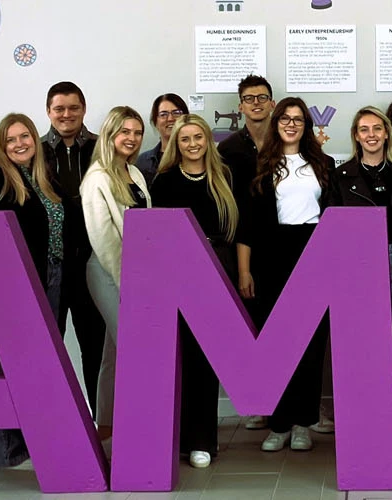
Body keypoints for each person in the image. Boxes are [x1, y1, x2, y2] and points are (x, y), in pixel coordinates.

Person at [236, 97, 339, 452]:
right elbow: (247, 225)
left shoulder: (323, 164)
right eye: (286, 118)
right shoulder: (262, 165)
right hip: (272, 256)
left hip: (314, 250)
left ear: (306, 126)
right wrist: (245, 270)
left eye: (298, 119)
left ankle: (303, 423)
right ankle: (278, 424)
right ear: (276, 123)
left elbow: (335, 217)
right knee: (275, 340)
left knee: (310, 341)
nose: (291, 124)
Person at [0, 113, 73, 468]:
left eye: (25, 137)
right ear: (2, 146)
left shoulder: (48, 178)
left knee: (43, 361)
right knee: (7, 361)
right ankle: (8, 450)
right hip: (14, 282)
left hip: (53, 276)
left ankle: (38, 439)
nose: (20, 144)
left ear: (35, 138)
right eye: (11, 139)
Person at [151, 114, 241, 468]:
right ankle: (179, 438)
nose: (192, 144)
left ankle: (204, 440)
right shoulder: (164, 182)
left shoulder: (225, 177)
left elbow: (237, 230)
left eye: (198, 137)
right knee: (180, 357)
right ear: (176, 143)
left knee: (208, 358)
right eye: (185, 138)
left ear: (207, 140)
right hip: (178, 275)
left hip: (219, 270)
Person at [327, 106, 392, 438]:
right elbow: (333, 226)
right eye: (364, 129)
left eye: (377, 128)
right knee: (361, 344)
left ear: (386, 133)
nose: (371, 135)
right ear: (356, 135)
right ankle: (363, 420)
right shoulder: (341, 176)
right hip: (358, 265)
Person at [80, 106, 149, 448]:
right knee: (136, 349)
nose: (132, 138)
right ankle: (139, 427)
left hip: (136, 275)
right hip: (109, 272)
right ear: (110, 134)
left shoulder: (134, 173)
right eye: (125, 131)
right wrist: (128, 285)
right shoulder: (97, 177)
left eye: (137, 132)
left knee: (114, 353)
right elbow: (104, 240)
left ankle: (105, 424)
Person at [39, 82, 109, 421]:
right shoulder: (34, 151)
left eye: (73, 108)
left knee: (95, 346)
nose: (66, 115)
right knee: (48, 348)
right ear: (49, 111)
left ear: (84, 109)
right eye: (59, 109)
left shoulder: (101, 149)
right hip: (51, 268)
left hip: (92, 264)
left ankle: (101, 422)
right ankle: (54, 425)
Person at [217, 74, 276, 431]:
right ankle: (260, 401)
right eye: (249, 98)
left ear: (272, 103)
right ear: (240, 106)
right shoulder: (227, 150)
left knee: (283, 321)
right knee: (252, 324)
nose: (256, 103)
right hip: (242, 246)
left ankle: (289, 404)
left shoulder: (286, 140)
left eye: (262, 97)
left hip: (280, 244)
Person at [137, 93, 190, 181]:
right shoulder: (143, 162)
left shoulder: (196, 156)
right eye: (163, 114)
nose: (170, 119)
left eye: (176, 113)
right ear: (155, 122)